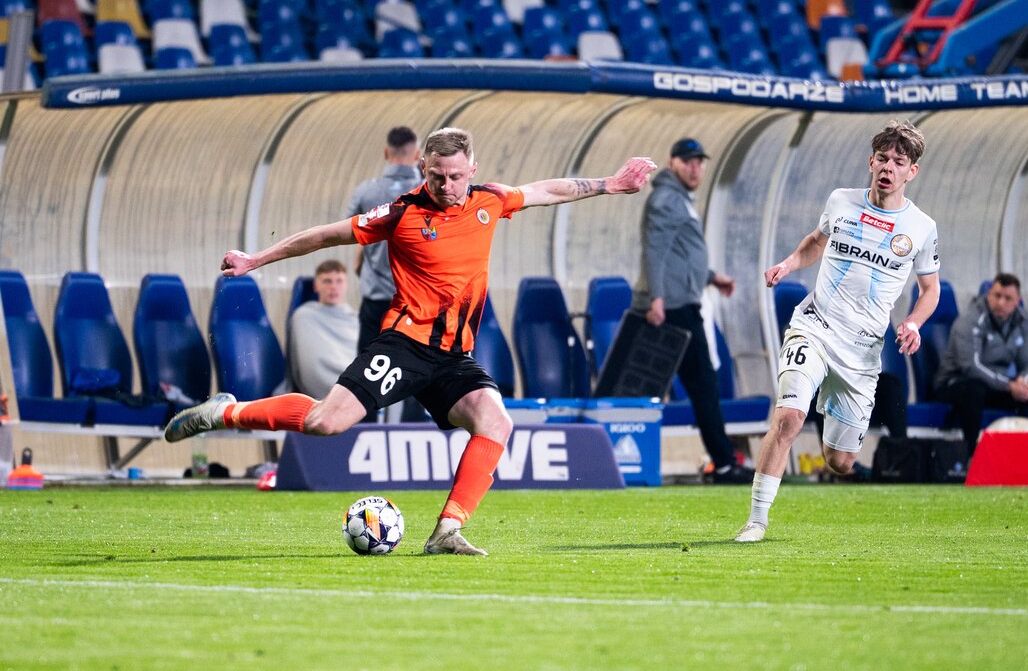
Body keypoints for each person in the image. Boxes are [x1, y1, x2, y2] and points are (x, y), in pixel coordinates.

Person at [165, 127, 658, 555]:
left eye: (456, 176)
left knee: (495, 420)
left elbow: (545, 190)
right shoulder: (401, 213)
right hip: (404, 345)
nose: (446, 185)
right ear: (423, 167)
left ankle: (447, 530)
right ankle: (226, 411)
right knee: (325, 422)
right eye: (437, 175)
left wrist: (610, 184)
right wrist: (255, 260)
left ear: (472, 170)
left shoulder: (490, 201)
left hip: (453, 356)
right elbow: (325, 236)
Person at [735, 120, 941, 543]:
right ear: (871, 162)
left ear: (912, 171)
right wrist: (787, 264)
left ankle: (827, 400)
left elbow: (930, 289)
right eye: (882, 158)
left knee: (840, 461)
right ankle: (756, 521)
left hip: (861, 352)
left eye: (898, 162)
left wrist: (914, 322)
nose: (888, 167)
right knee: (788, 418)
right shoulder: (841, 201)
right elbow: (817, 240)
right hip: (814, 326)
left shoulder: (921, 227)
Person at [633, 137, 751, 484]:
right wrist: (657, 298)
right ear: (673, 163)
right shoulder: (668, 199)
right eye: (688, 162)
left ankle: (723, 461)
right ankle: (724, 464)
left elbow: (682, 254)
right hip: (675, 308)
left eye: (699, 162)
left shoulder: (679, 198)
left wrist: (711, 277)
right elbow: (656, 251)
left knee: (694, 385)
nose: (696, 168)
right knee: (702, 385)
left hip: (677, 302)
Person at [348, 126, 424, 422]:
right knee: (416, 373)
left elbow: (351, 238)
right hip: (416, 305)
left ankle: (364, 433)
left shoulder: (366, 192)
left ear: (385, 153)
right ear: (417, 155)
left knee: (365, 377)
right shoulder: (430, 193)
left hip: (377, 303)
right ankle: (411, 435)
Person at [934, 273, 1028, 458]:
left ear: (1018, 301)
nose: (1001, 302)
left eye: (1008, 298)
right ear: (989, 294)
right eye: (997, 295)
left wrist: (1022, 383)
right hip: (956, 383)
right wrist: (1009, 385)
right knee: (974, 389)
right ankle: (971, 458)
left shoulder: (1021, 320)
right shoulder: (970, 320)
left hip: (997, 387)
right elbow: (971, 367)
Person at [287, 259, 359, 398]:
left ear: (346, 285)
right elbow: (311, 364)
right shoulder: (304, 316)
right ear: (316, 286)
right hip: (336, 385)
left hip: (360, 377)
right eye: (327, 281)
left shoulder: (357, 318)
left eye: (339, 281)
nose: (333, 287)